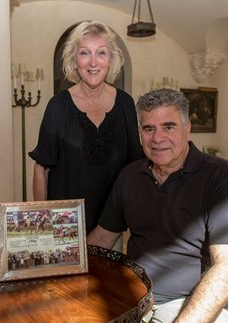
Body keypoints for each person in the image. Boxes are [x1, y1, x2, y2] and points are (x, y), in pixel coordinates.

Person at [87, 88, 228, 323]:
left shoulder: (219, 176)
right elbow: (102, 239)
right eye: (148, 128)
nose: (157, 138)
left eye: (168, 127)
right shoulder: (130, 175)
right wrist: (60, 267)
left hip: (198, 304)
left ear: (187, 128)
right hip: (134, 299)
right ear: (140, 133)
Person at [29, 21, 143, 234]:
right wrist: (42, 219)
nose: (93, 62)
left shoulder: (126, 103)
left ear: (111, 60)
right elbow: (41, 168)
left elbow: (135, 167)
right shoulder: (58, 106)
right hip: (63, 224)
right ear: (74, 61)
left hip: (111, 224)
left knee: (107, 269)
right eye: (84, 53)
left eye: (101, 53)